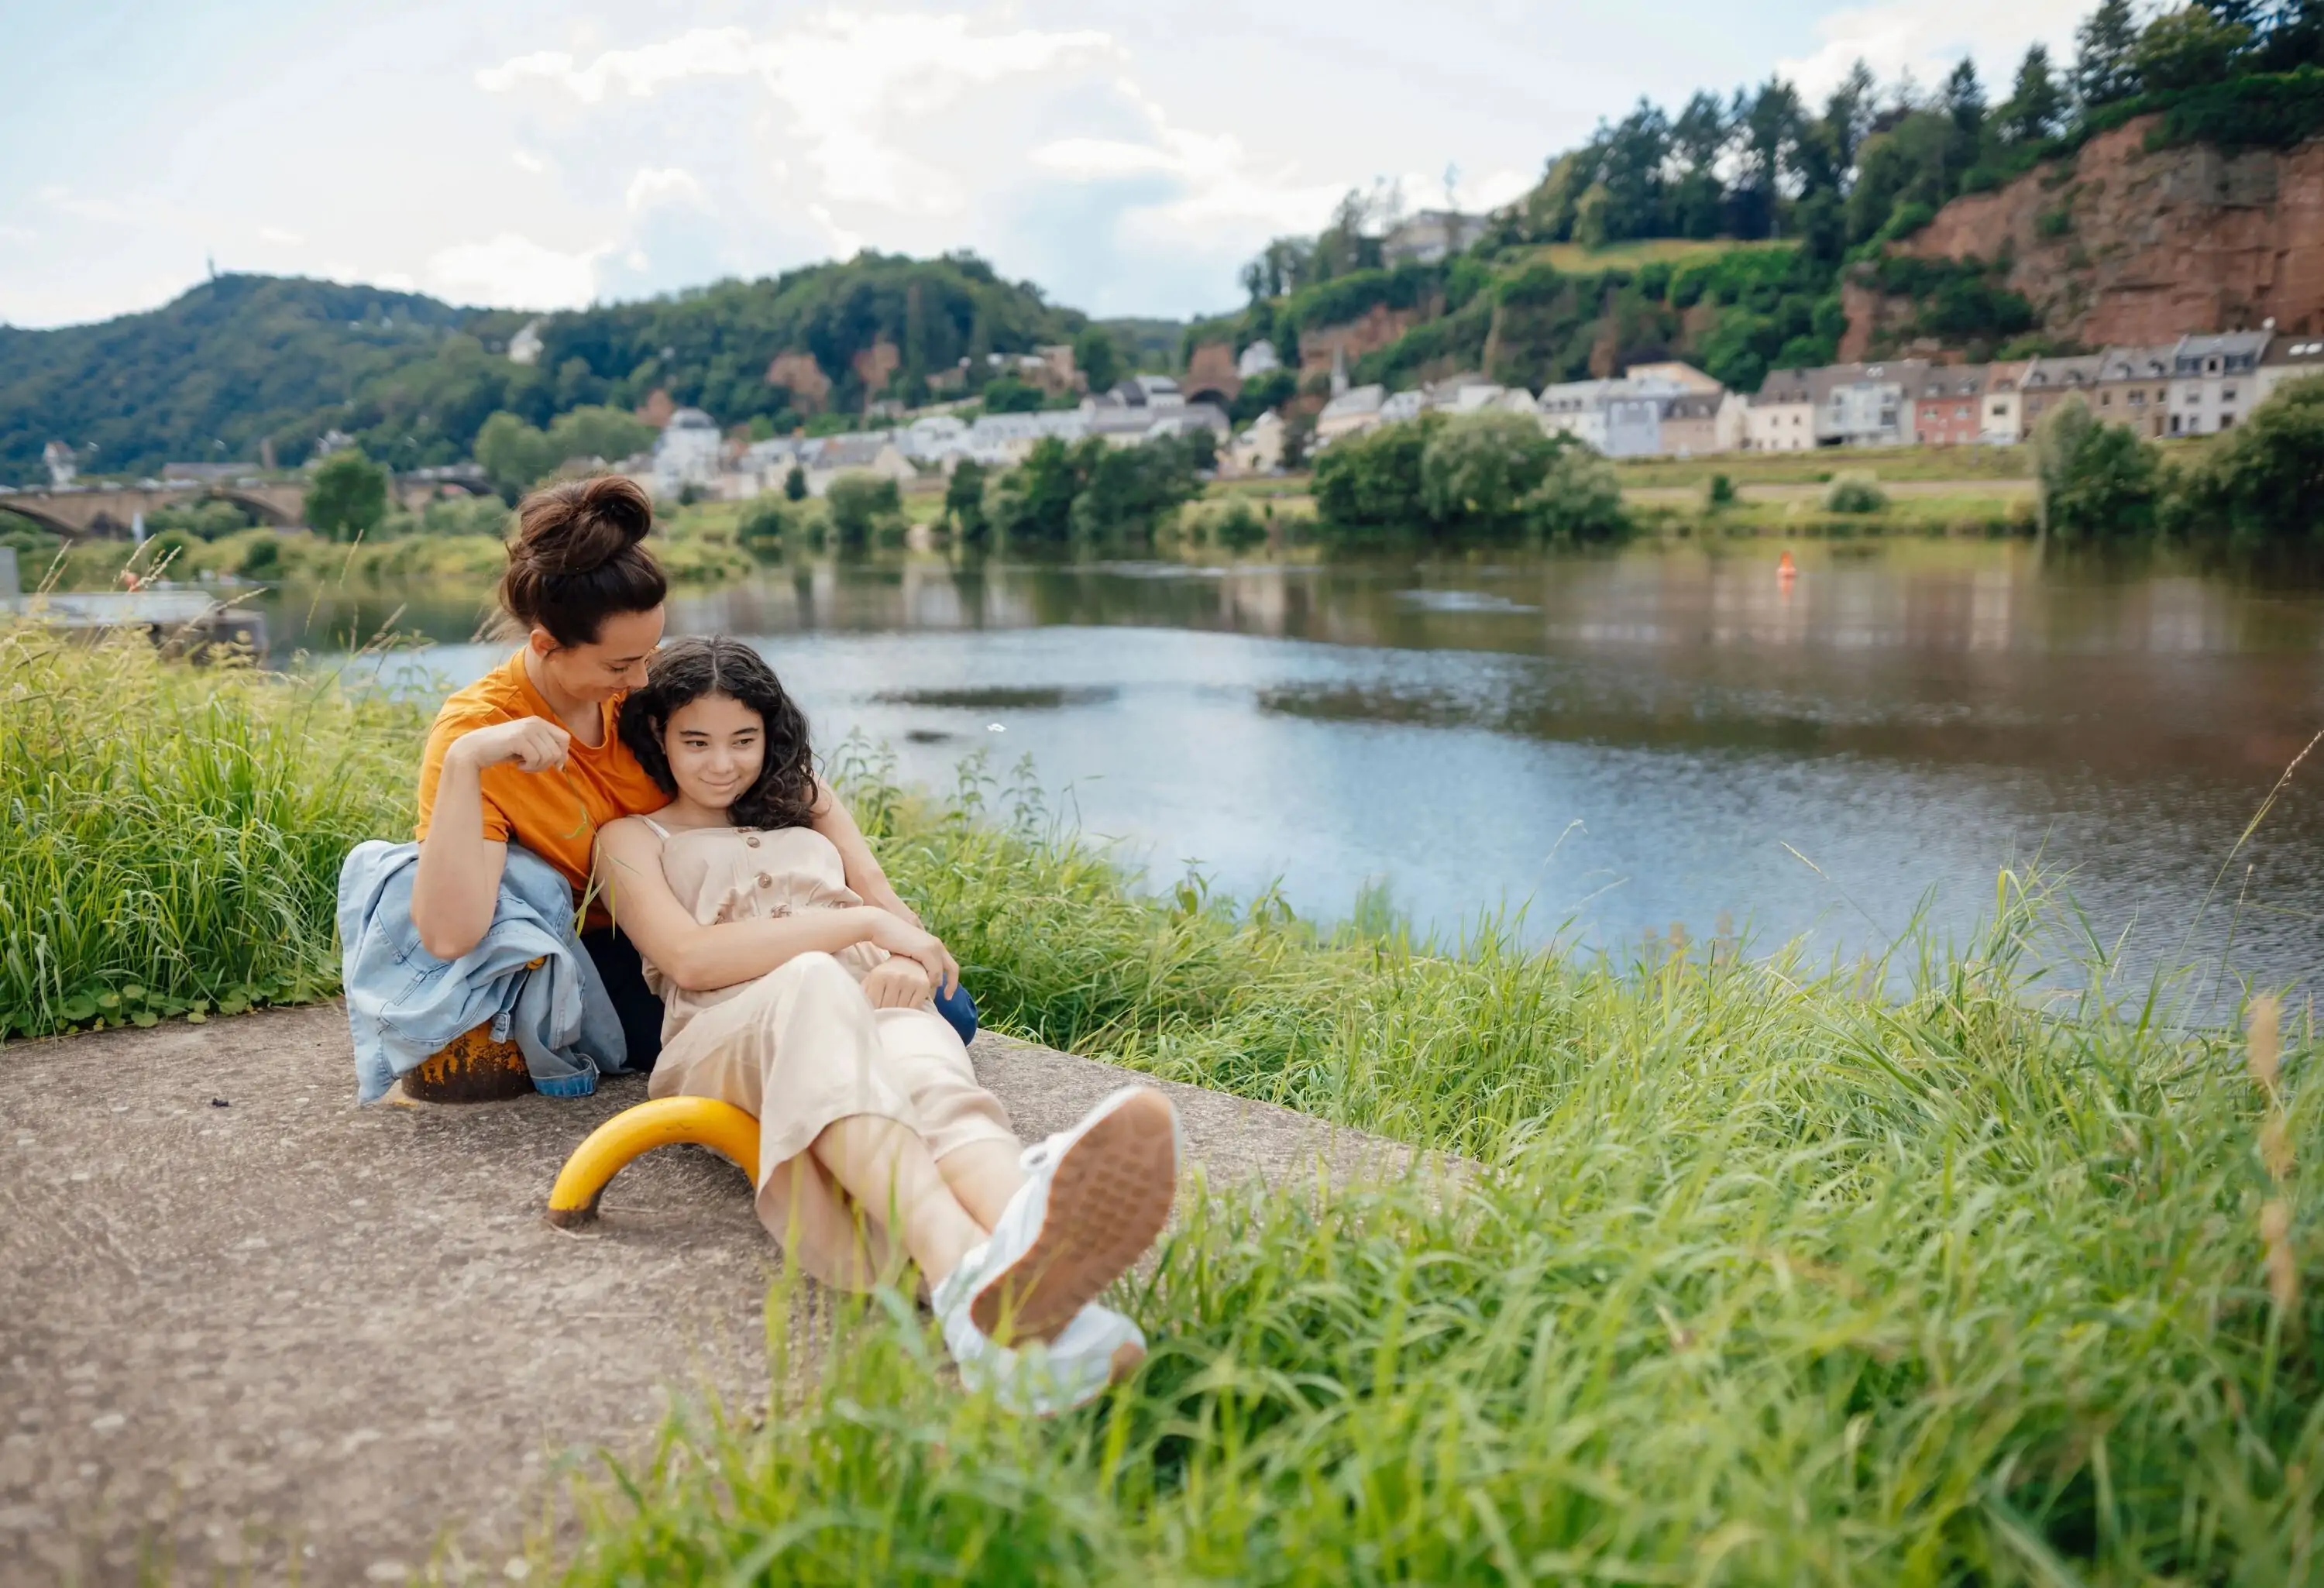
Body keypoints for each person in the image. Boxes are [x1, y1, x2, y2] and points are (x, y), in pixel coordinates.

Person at [595, 637, 1179, 1411]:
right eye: (695, 742)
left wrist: (907, 959)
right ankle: (962, 1261)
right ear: (659, 738)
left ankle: (1034, 1258)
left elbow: (888, 909)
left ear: (770, 734)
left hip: (856, 989)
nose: (721, 763)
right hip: (730, 1028)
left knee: (926, 1064)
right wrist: (852, 930)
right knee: (810, 981)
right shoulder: (630, 839)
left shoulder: (806, 799)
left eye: (743, 739)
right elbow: (692, 959)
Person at [406, 475, 968, 1093]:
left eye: (651, 651)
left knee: (940, 1003)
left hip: (734, 917)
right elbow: (449, 935)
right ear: (547, 646)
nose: (644, 677)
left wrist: (891, 918)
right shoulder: (481, 731)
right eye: (621, 664)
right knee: (823, 1027)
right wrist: (465, 765)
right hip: (623, 958)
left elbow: (798, 788)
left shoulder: (641, 694)